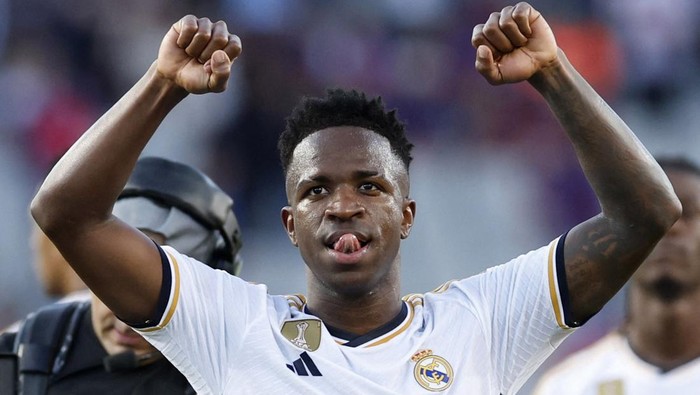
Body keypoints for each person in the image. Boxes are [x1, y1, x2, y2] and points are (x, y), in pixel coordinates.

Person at [29, 3, 681, 394]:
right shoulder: (229, 324)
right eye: (316, 190)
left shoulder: (484, 322)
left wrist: (554, 73)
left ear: (406, 214)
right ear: (288, 222)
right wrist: (162, 85)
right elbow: (65, 213)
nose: (343, 204)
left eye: (369, 185)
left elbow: (647, 212)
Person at [0, 156, 243, 394]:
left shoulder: (242, 370)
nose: (126, 322)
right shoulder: (30, 343)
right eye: (112, 282)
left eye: (155, 298)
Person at [533, 156, 700, 394]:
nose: (669, 227)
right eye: (650, 213)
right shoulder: (566, 386)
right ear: (618, 236)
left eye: (689, 213)